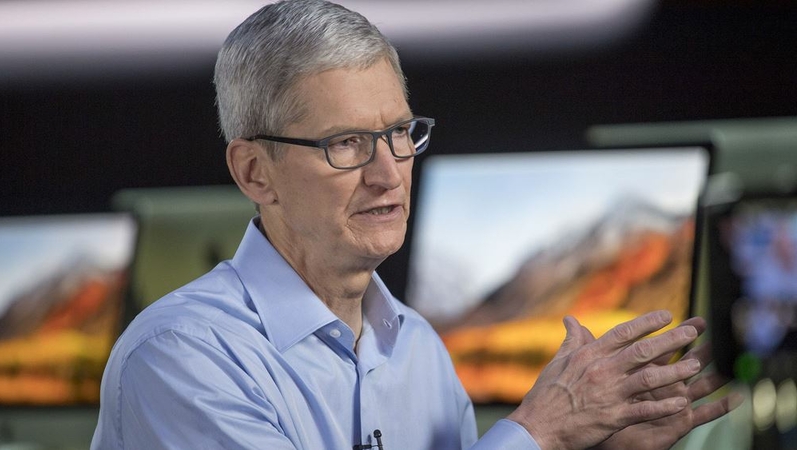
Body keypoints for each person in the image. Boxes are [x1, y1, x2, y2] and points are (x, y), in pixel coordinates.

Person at [91, 1, 737, 448]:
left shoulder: (420, 350)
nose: (388, 173)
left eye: (398, 133)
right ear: (255, 172)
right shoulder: (181, 356)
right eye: (346, 143)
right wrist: (539, 433)